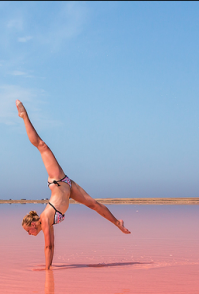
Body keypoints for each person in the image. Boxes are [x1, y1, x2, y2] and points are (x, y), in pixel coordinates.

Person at [17, 100, 130, 270]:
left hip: (58, 180)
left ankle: (24, 116)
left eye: (28, 230)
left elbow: (47, 247)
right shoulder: (47, 222)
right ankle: (117, 223)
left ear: (33, 225)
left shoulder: (45, 220)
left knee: (42, 146)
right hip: (68, 188)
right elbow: (52, 245)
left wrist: (47, 272)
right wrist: (50, 269)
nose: (29, 234)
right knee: (94, 205)